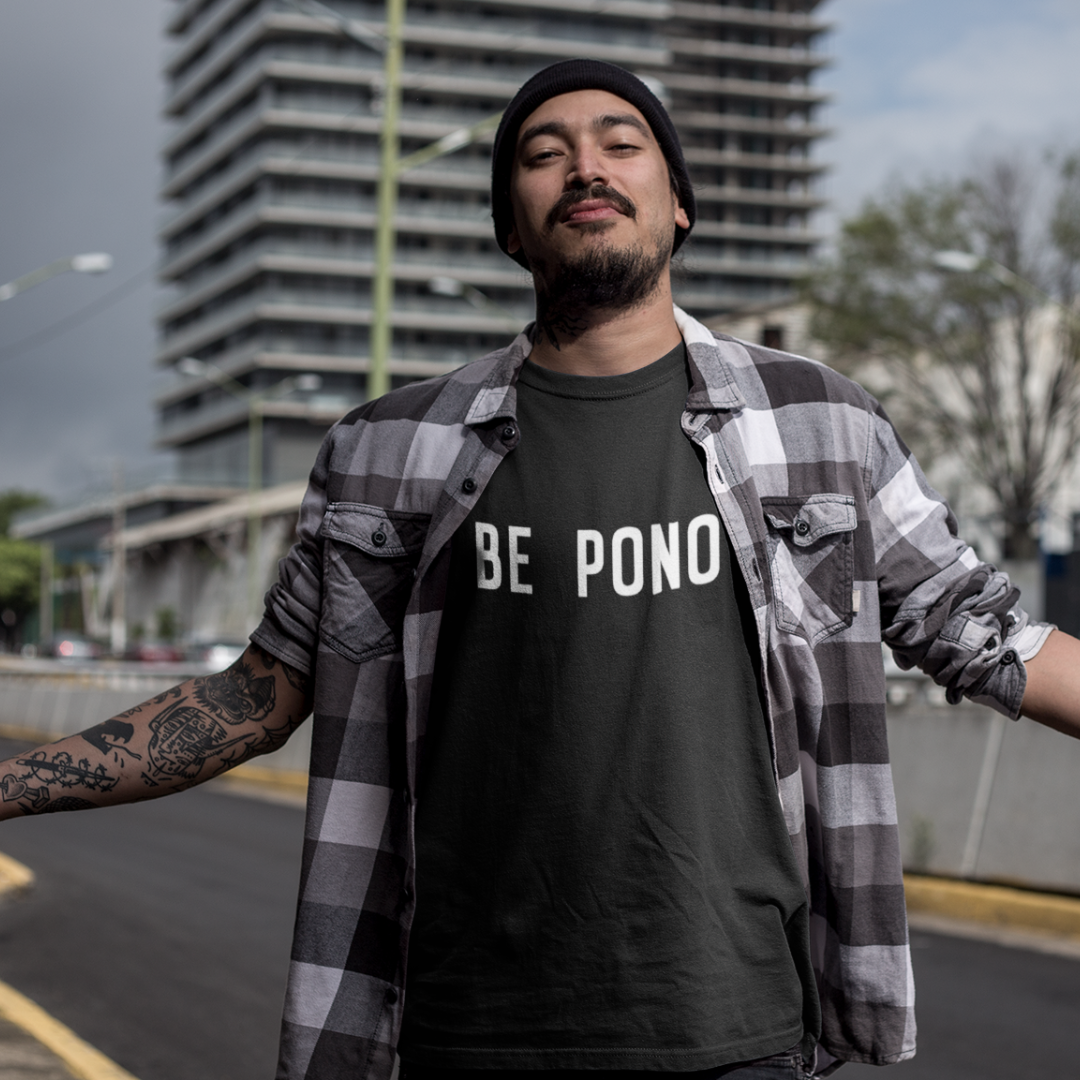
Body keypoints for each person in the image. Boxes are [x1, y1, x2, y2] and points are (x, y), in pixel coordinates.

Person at [3, 59, 1080, 1080]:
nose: (587, 167)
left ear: (678, 203)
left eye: (622, 143)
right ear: (511, 227)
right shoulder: (390, 450)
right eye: (543, 152)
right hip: (465, 1030)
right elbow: (258, 693)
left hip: (736, 1025)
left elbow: (986, 636)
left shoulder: (820, 422)